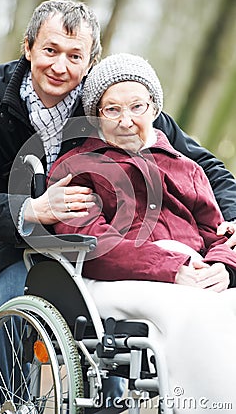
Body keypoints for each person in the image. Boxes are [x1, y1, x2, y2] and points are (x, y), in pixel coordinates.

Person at [0, 0, 235, 410]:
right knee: (6, 323)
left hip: (105, 244)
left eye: (75, 56)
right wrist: (34, 209)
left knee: (108, 349)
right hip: (13, 242)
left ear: (90, 60)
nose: (61, 67)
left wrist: (231, 219)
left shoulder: (110, 99)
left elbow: (200, 166)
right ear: (28, 47)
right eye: (51, 50)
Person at [48, 53, 236, 413]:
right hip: (111, 281)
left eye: (137, 106)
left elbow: (217, 232)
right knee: (195, 312)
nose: (126, 120)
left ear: (154, 108)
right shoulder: (78, 169)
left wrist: (221, 268)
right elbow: (91, 243)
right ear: (96, 116)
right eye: (112, 110)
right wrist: (172, 269)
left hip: (193, 274)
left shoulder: (187, 168)